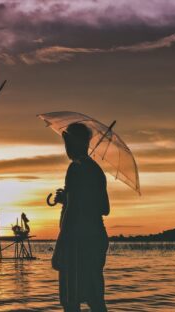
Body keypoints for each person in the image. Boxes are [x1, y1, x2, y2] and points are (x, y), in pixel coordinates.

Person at [51, 122, 110, 312]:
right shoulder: (96, 170)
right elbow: (104, 208)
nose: (66, 148)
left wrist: (59, 246)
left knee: (70, 300)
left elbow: (74, 210)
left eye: (67, 142)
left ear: (73, 143)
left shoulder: (75, 169)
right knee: (95, 299)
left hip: (77, 242)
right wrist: (67, 199)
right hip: (97, 238)